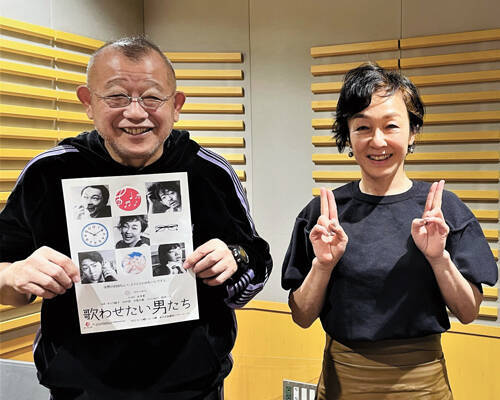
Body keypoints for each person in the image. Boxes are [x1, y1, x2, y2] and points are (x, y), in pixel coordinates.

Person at [0, 36, 272, 400]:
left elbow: (257, 261)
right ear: (88, 102)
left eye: (152, 97)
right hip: (81, 390)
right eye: (116, 97)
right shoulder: (49, 173)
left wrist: (234, 258)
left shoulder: (209, 172)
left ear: (176, 105)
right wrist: (12, 275)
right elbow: (8, 283)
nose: (135, 113)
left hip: (193, 389)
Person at [282, 63, 498, 400]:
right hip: (342, 383)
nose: (378, 140)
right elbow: (302, 315)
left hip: (422, 386)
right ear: (348, 136)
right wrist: (323, 265)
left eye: (391, 125)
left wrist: (439, 259)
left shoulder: (443, 210)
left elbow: (469, 312)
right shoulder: (323, 216)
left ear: (412, 132)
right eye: (362, 127)